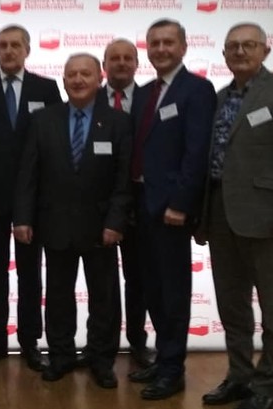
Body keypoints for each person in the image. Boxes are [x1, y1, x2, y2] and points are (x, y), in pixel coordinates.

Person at [198, 23, 273, 409]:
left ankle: (267, 386)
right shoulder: (218, 98)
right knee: (231, 306)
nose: (240, 51)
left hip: (268, 220)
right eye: (232, 46)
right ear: (223, 54)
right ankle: (239, 376)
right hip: (220, 215)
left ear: (265, 50)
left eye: (249, 45)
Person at [13, 53, 132, 388]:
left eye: (85, 74)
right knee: (58, 297)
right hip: (55, 224)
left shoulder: (118, 122)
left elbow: (123, 180)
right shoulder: (43, 120)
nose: (78, 80)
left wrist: (115, 222)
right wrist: (22, 218)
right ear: (63, 80)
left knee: (103, 299)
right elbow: (28, 174)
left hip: (101, 228)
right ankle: (61, 355)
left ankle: (101, 359)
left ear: (100, 78)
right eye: (72, 74)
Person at [0, 24, 63, 371]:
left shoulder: (46, 89)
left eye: (15, 45)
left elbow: (54, 146)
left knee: (31, 273)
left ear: (27, 50)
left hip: (33, 201)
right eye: (3, 45)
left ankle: (30, 341)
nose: (8, 51)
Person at [127, 19, 217, 400]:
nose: (161, 49)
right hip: (141, 207)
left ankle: (172, 370)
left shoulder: (197, 89)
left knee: (174, 292)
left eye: (168, 42)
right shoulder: (144, 93)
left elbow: (197, 152)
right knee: (151, 289)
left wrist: (181, 204)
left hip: (171, 211)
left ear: (183, 47)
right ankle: (163, 358)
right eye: (155, 43)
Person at [95, 38, 154, 368]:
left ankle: (137, 342)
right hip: (98, 206)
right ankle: (103, 345)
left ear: (136, 64)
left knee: (139, 278)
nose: (120, 63)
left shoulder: (151, 99)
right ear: (104, 65)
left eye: (127, 58)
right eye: (114, 58)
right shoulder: (86, 97)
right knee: (102, 282)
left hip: (142, 204)